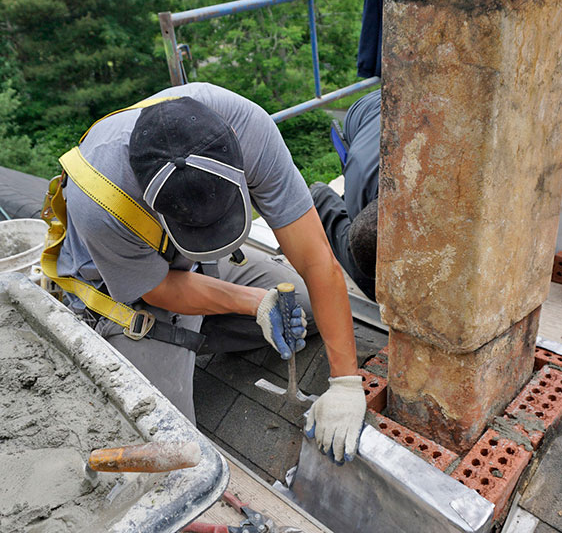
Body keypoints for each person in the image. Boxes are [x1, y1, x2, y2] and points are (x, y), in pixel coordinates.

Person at [53, 82, 366, 463]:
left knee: (303, 304)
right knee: (171, 445)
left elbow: (317, 258)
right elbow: (158, 289)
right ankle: (159, 348)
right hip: (123, 290)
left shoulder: (246, 128)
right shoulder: (99, 199)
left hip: (190, 264)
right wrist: (254, 303)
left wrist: (347, 383)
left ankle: (202, 329)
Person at [311, 88, 381, 301]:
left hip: (382, 114)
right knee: (368, 272)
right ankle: (319, 195)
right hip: (370, 112)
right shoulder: (361, 175)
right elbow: (360, 236)